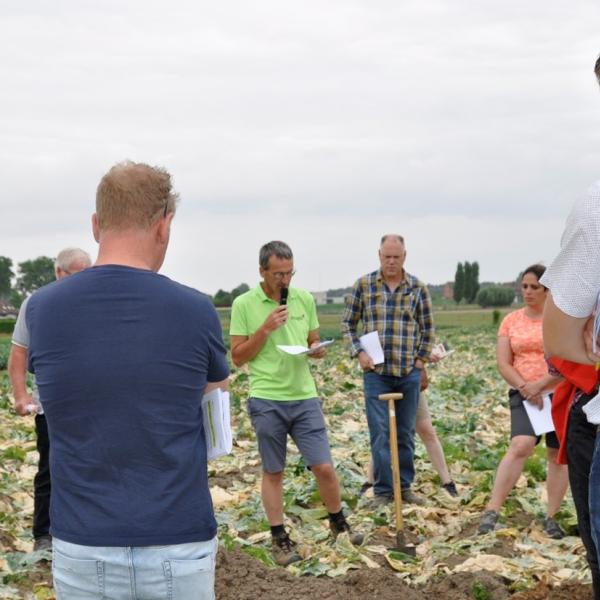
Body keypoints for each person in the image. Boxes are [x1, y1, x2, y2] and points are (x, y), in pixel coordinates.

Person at [26, 161, 229, 600]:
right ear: (164, 226)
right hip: (178, 537)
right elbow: (215, 400)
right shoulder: (196, 311)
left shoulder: (43, 310)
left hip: (82, 540)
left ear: (96, 226)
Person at [230, 240, 362, 566]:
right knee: (274, 471)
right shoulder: (244, 304)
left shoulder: (303, 299)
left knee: (324, 467)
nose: (285, 280)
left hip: (304, 396)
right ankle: (279, 537)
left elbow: (313, 339)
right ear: (262, 271)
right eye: (278, 274)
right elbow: (237, 357)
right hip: (267, 398)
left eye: (289, 273)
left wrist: (316, 347)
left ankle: (338, 523)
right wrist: (265, 328)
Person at [8, 248, 91, 552]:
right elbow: (18, 356)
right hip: (51, 407)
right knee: (50, 470)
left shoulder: (95, 303)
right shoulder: (36, 305)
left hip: (92, 405)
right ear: (59, 273)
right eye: (74, 277)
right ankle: (44, 534)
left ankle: (87, 529)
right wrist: (21, 395)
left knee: (92, 466)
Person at [341, 234, 434, 506]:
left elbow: (427, 328)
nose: (391, 261)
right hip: (376, 375)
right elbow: (347, 324)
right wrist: (358, 352)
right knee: (380, 433)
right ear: (379, 255)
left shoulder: (417, 288)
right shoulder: (365, 285)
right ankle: (383, 491)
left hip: (408, 373)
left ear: (404, 256)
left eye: (396, 256)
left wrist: (420, 361)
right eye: (387, 256)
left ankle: (404, 487)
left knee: (405, 433)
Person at [478, 264, 568, 537]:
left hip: (558, 392)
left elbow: (567, 360)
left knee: (557, 455)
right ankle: (492, 511)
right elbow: (504, 362)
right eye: (525, 286)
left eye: (535, 287)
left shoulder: (560, 320)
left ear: (547, 290)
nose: (528, 292)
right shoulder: (511, 321)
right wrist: (525, 387)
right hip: (523, 393)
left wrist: (543, 385)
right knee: (521, 444)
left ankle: (551, 517)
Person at [361, 367, 458, 498]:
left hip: (408, 376)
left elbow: (421, 348)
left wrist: (422, 365)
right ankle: (371, 481)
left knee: (424, 430)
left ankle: (447, 482)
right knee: (383, 432)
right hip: (382, 377)